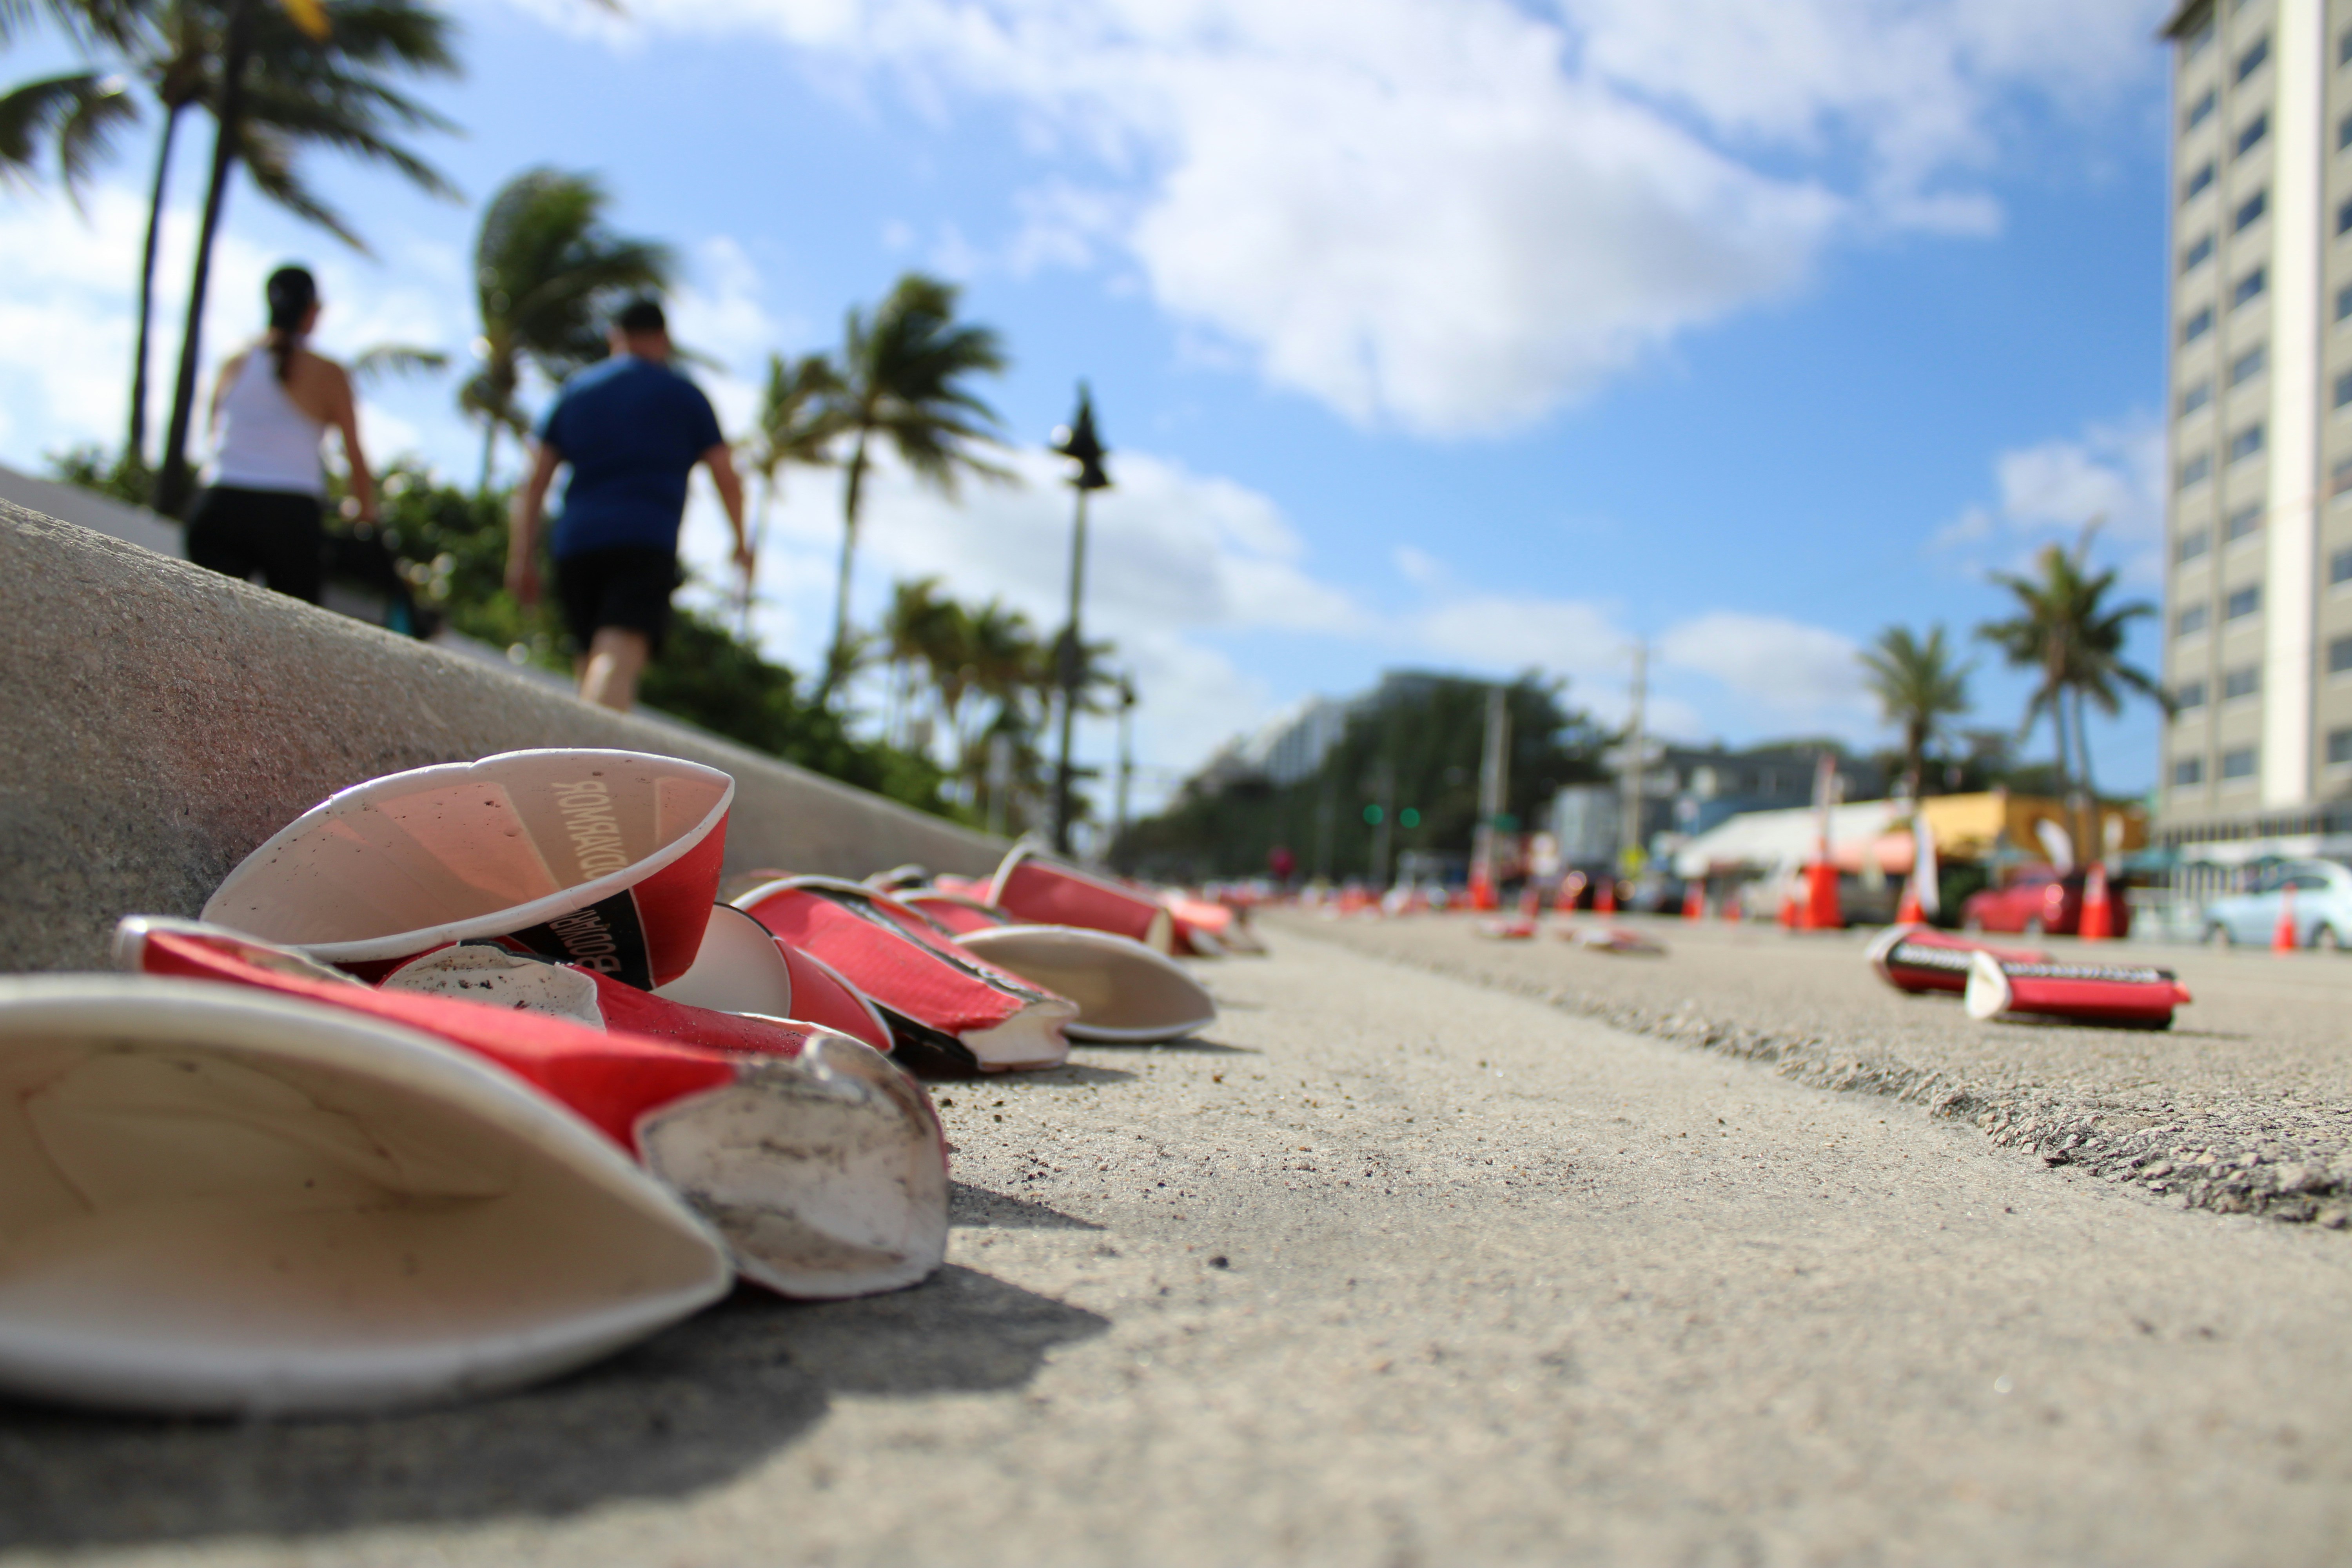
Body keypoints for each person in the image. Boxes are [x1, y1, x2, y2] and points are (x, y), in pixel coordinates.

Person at [508, 298, 752, 713]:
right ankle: (593, 773)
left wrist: (521, 557)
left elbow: (534, 482)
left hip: (575, 544)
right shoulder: (686, 395)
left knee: (591, 661)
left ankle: (580, 761)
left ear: (614, 337)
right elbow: (727, 477)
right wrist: (740, 541)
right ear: (662, 339)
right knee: (617, 657)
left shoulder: (577, 390)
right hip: (644, 540)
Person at [185, 265, 375, 603]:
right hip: (289, 514)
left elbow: (211, 436)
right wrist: (366, 516)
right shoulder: (329, 373)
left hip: (218, 505)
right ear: (312, 312)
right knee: (295, 639)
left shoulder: (234, 363)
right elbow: (355, 456)